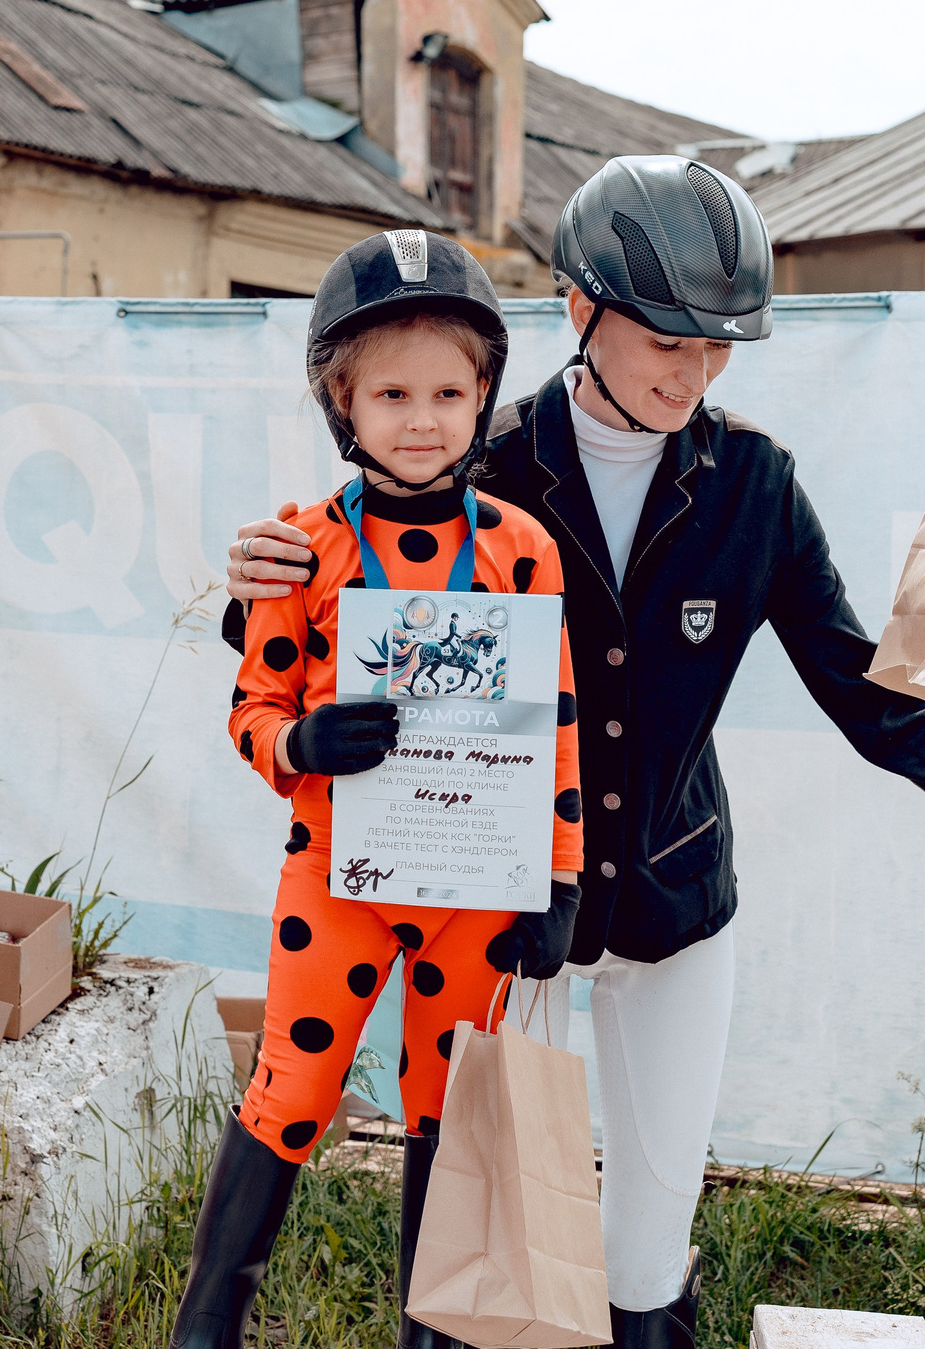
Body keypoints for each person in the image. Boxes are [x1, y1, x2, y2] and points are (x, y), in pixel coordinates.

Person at [227, 158, 925, 1349]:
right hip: (502, 907)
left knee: (643, 1251)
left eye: (717, 351)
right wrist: (250, 593)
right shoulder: (480, 459)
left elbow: (855, 675)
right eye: (667, 345)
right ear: (580, 312)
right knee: (492, 1226)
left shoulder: (753, 484)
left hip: (675, 896)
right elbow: (340, 617)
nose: (694, 376)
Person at [181, 229, 584, 1349]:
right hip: (336, 878)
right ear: (339, 404)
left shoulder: (521, 549)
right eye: (392, 392)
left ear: (483, 396)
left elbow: (555, 723)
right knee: (291, 1093)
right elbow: (250, 714)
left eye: (449, 392)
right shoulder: (301, 550)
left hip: (478, 883)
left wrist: (560, 880)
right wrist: (302, 744)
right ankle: (204, 1330)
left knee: (447, 1112)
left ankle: (435, 1336)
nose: (422, 418)